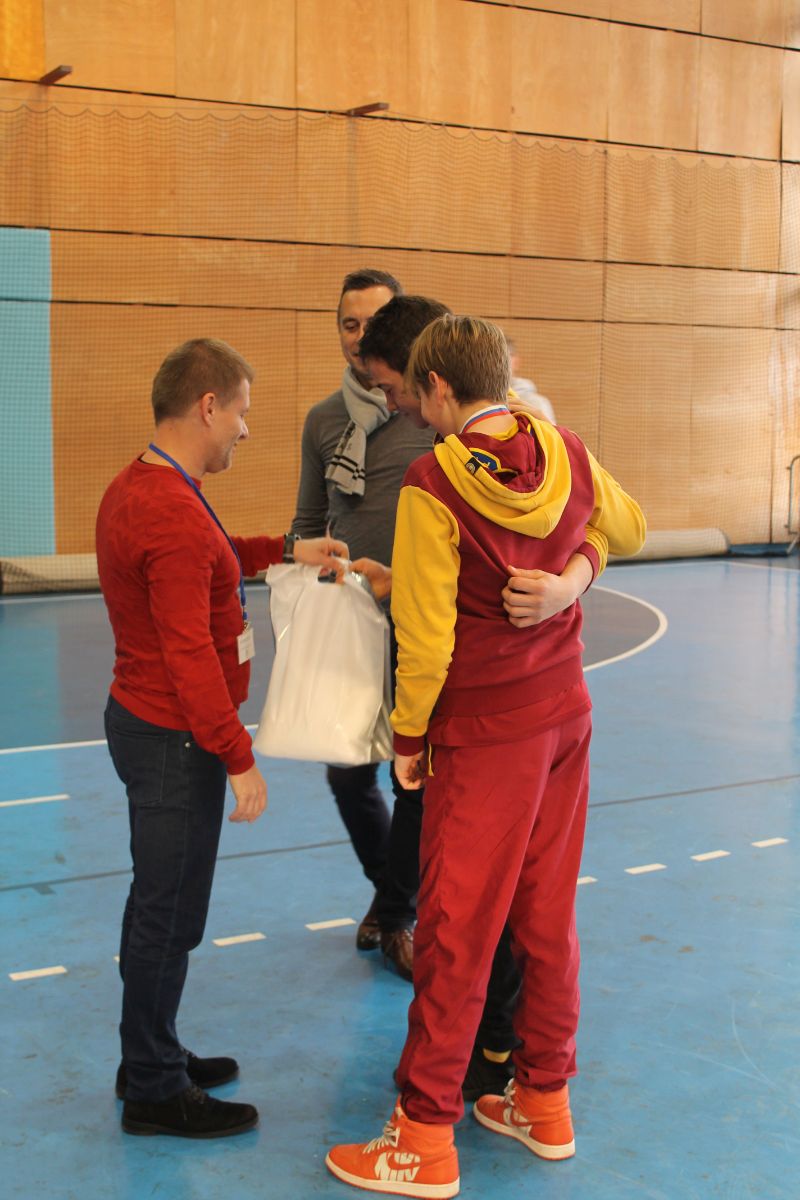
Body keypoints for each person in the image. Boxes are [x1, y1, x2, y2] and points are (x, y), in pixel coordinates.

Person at [326, 316, 646, 1197]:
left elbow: (427, 638)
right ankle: (543, 1098)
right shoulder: (563, 449)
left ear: (438, 386)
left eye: (414, 391)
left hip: (485, 733)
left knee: (458, 932)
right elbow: (629, 526)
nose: (411, 405)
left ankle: (424, 1135)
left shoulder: (432, 482)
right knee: (546, 918)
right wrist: (574, 578)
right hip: (564, 717)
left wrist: (410, 739)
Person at [97, 338, 347, 1139]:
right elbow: (188, 655)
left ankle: (149, 1055)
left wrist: (285, 551)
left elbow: (213, 561)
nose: (246, 428)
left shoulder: (154, 486)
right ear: (208, 406)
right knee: (169, 915)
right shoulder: (169, 510)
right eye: (241, 411)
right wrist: (239, 758)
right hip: (173, 740)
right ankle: (154, 1089)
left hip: (153, 726)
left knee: (160, 904)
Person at [291, 270, 442, 979]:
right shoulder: (324, 421)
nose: (360, 338)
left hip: (421, 623)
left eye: (373, 324)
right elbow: (305, 522)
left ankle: (398, 914)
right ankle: (391, 893)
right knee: (349, 776)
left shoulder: (430, 413)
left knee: (414, 777)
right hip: (351, 624)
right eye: (349, 325)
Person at [506, 334, 556, 423]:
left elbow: (550, 432)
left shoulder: (537, 403)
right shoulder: (482, 401)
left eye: (505, 356)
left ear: (516, 362)